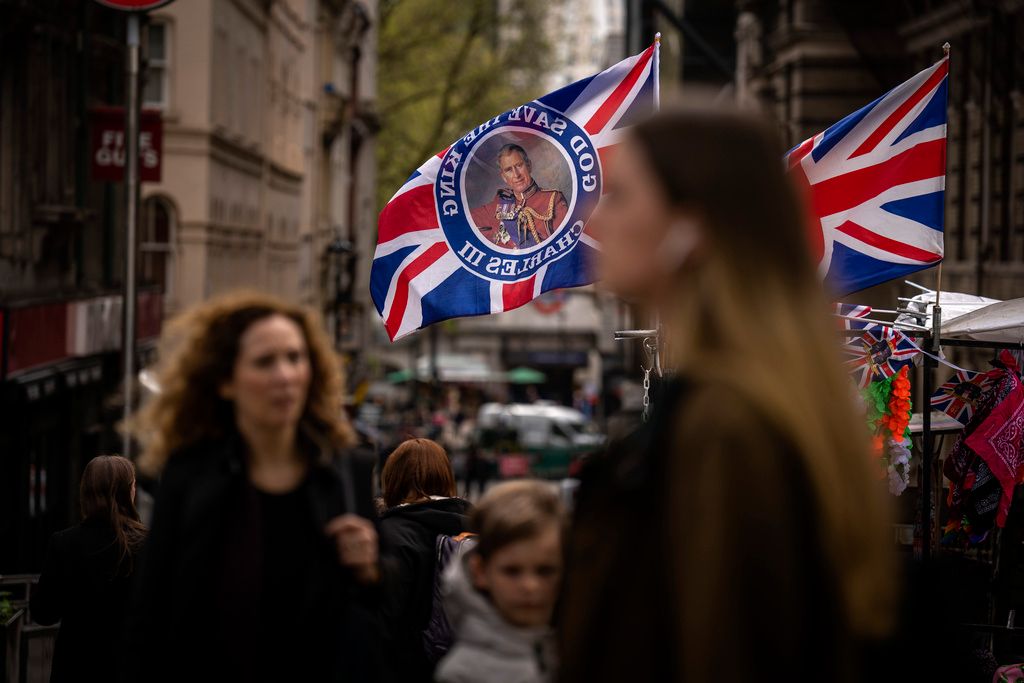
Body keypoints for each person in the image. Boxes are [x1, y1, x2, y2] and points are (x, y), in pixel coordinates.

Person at [558, 104, 897, 682]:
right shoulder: (749, 404)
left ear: (692, 229)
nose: (593, 217)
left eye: (619, 195)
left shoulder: (723, 426)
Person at [124, 291, 381, 683]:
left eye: (295, 358)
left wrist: (371, 571)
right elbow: (151, 614)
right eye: (265, 362)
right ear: (226, 381)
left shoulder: (345, 470)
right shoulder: (190, 475)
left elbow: (383, 619)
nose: (284, 376)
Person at [31, 455, 147, 683]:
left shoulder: (64, 543)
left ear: (86, 493)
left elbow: (43, 613)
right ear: (128, 492)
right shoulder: (147, 544)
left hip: (75, 668)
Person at [435, 480, 562, 683]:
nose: (530, 586)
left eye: (545, 571)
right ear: (480, 572)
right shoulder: (462, 674)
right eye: (512, 571)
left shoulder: (573, 652)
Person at [377, 438, 471, 683]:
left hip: (406, 668)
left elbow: (385, 618)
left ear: (392, 479)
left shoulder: (390, 533)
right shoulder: (478, 527)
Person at [471, 143, 568, 249]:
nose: (516, 175)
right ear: (504, 177)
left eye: (519, 166)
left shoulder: (552, 199)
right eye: (509, 170)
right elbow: (463, 223)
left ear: (529, 166)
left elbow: (565, 244)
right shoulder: (500, 202)